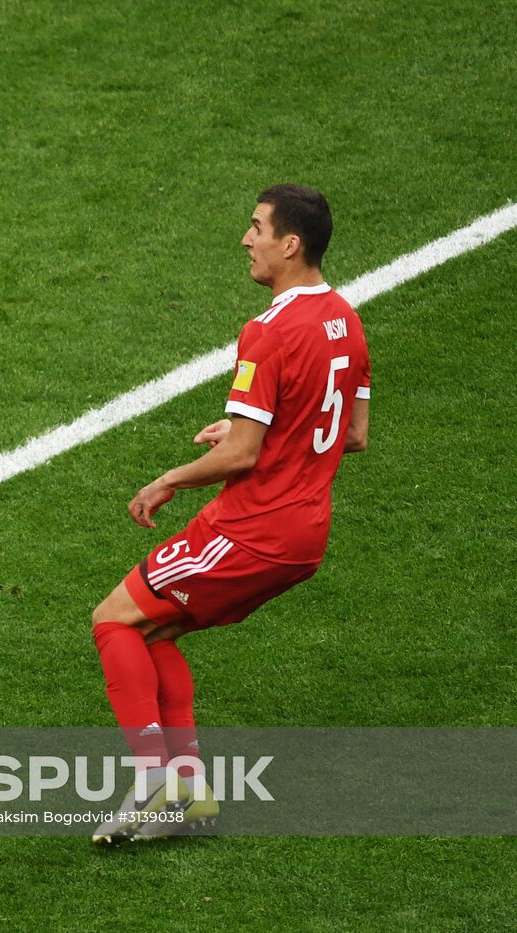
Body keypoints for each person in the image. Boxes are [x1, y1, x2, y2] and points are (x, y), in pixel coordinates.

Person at [89, 184, 371, 843]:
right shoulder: (347, 320)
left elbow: (244, 454)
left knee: (113, 620)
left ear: (290, 244)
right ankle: (188, 795)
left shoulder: (269, 329)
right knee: (156, 631)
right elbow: (353, 433)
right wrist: (258, 428)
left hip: (252, 527)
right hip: (307, 535)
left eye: (257, 228)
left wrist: (169, 479)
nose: (247, 239)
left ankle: (160, 782)